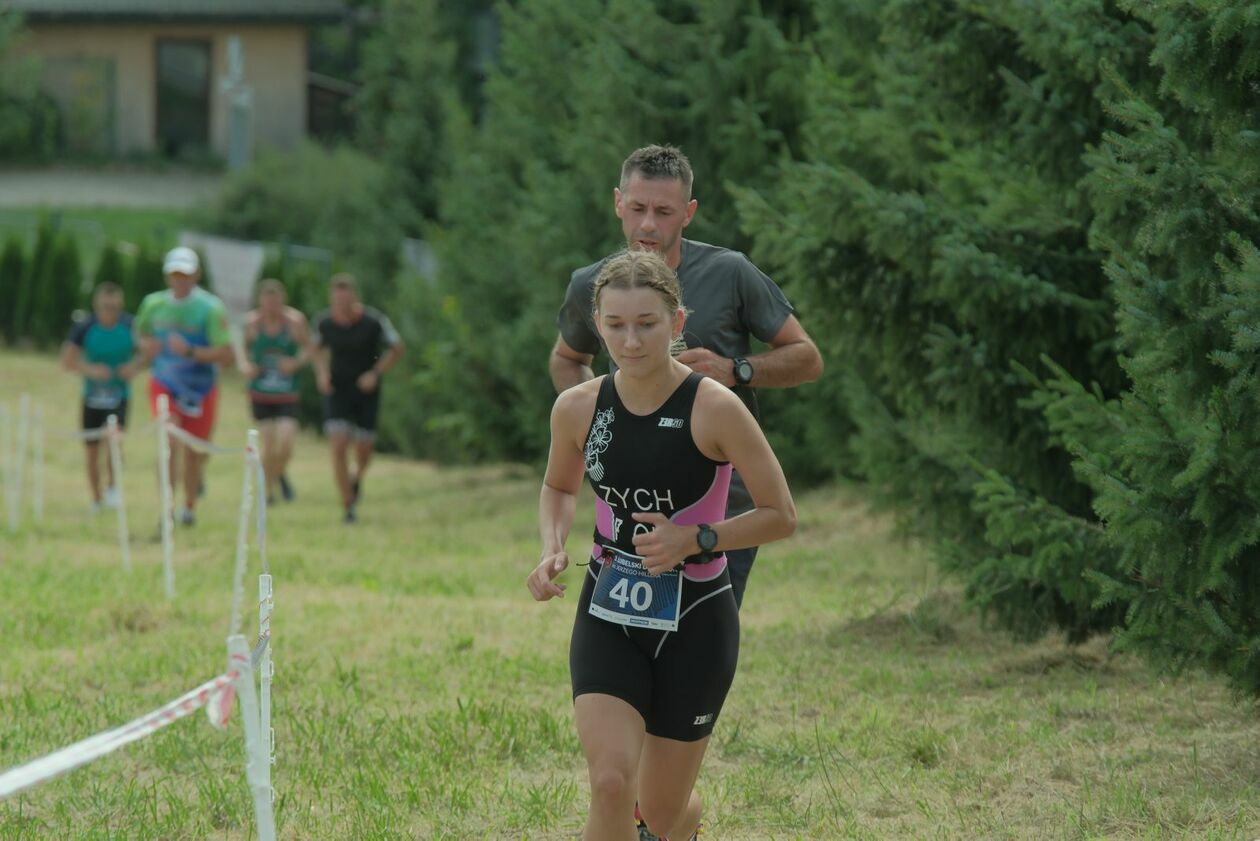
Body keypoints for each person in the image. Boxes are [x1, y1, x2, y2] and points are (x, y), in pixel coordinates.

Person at [528, 250, 797, 841]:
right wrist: (552, 545)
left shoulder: (715, 407)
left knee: (662, 813)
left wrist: (697, 538)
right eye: (616, 325)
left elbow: (781, 515)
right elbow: (557, 485)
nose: (630, 340)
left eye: (647, 324)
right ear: (597, 324)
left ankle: (682, 821)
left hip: (697, 620)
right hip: (608, 607)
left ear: (677, 324)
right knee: (609, 785)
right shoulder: (577, 406)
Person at [550, 144, 822, 610]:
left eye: (664, 210)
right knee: (631, 637)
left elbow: (807, 357)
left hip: (724, 499)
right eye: (637, 208)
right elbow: (567, 358)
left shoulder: (730, 272)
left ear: (688, 212)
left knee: (699, 633)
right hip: (635, 498)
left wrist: (737, 369)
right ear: (618, 203)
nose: (648, 224)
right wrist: (600, 419)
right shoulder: (593, 285)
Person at [134, 246, 234, 526]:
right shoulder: (153, 304)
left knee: (194, 453)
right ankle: (165, 508)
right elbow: (141, 334)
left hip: (201, 388)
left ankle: (189, 507)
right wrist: (146, 347)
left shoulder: (210, 308)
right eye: (175, 274)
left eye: (186, 274)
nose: (181, 279)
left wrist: (191, 352)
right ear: (168, 276)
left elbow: (226, 354)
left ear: (196, 275)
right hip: (164, 383)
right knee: (167, 440)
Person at [311, 273, 404, 524]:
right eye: (336, 301)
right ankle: (348, 505)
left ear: (354, 298)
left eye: (345, 300)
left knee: (364, 449)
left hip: (366, 390)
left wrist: (375, 373)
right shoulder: (324, 322)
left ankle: (357, 476)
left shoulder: (374, 322)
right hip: (338, 390)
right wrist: (321, 374)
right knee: (339, 445)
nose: (341, 306)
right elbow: (315, 350)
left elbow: (397, 348)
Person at [60, 282, 140, 512]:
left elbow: (148, 352)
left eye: (114, 307)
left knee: (115, 440)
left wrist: (133, 367)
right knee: (92, 450)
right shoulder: (84, 327)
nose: (109, 311)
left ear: (120, 306)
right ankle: (96, 499)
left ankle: (113, 488)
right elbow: (67, 361)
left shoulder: (130, 325)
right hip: (92, 396)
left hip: (119, 395)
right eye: (105, 306)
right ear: (97, 305)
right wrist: (91, 370)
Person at [240, 278, 310, 504]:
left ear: (282, 301)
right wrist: (247, 366)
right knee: (269, 444)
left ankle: (279, 474)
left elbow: (310, 349)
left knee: (286, 443)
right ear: (260, 302)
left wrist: (295, 363)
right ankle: (268, 491)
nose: (271, 306)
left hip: (287, 392)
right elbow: (241, 352)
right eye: (267, 301)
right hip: (261, 392)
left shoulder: (294, 322)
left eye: (275, 301)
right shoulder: (252, 323)